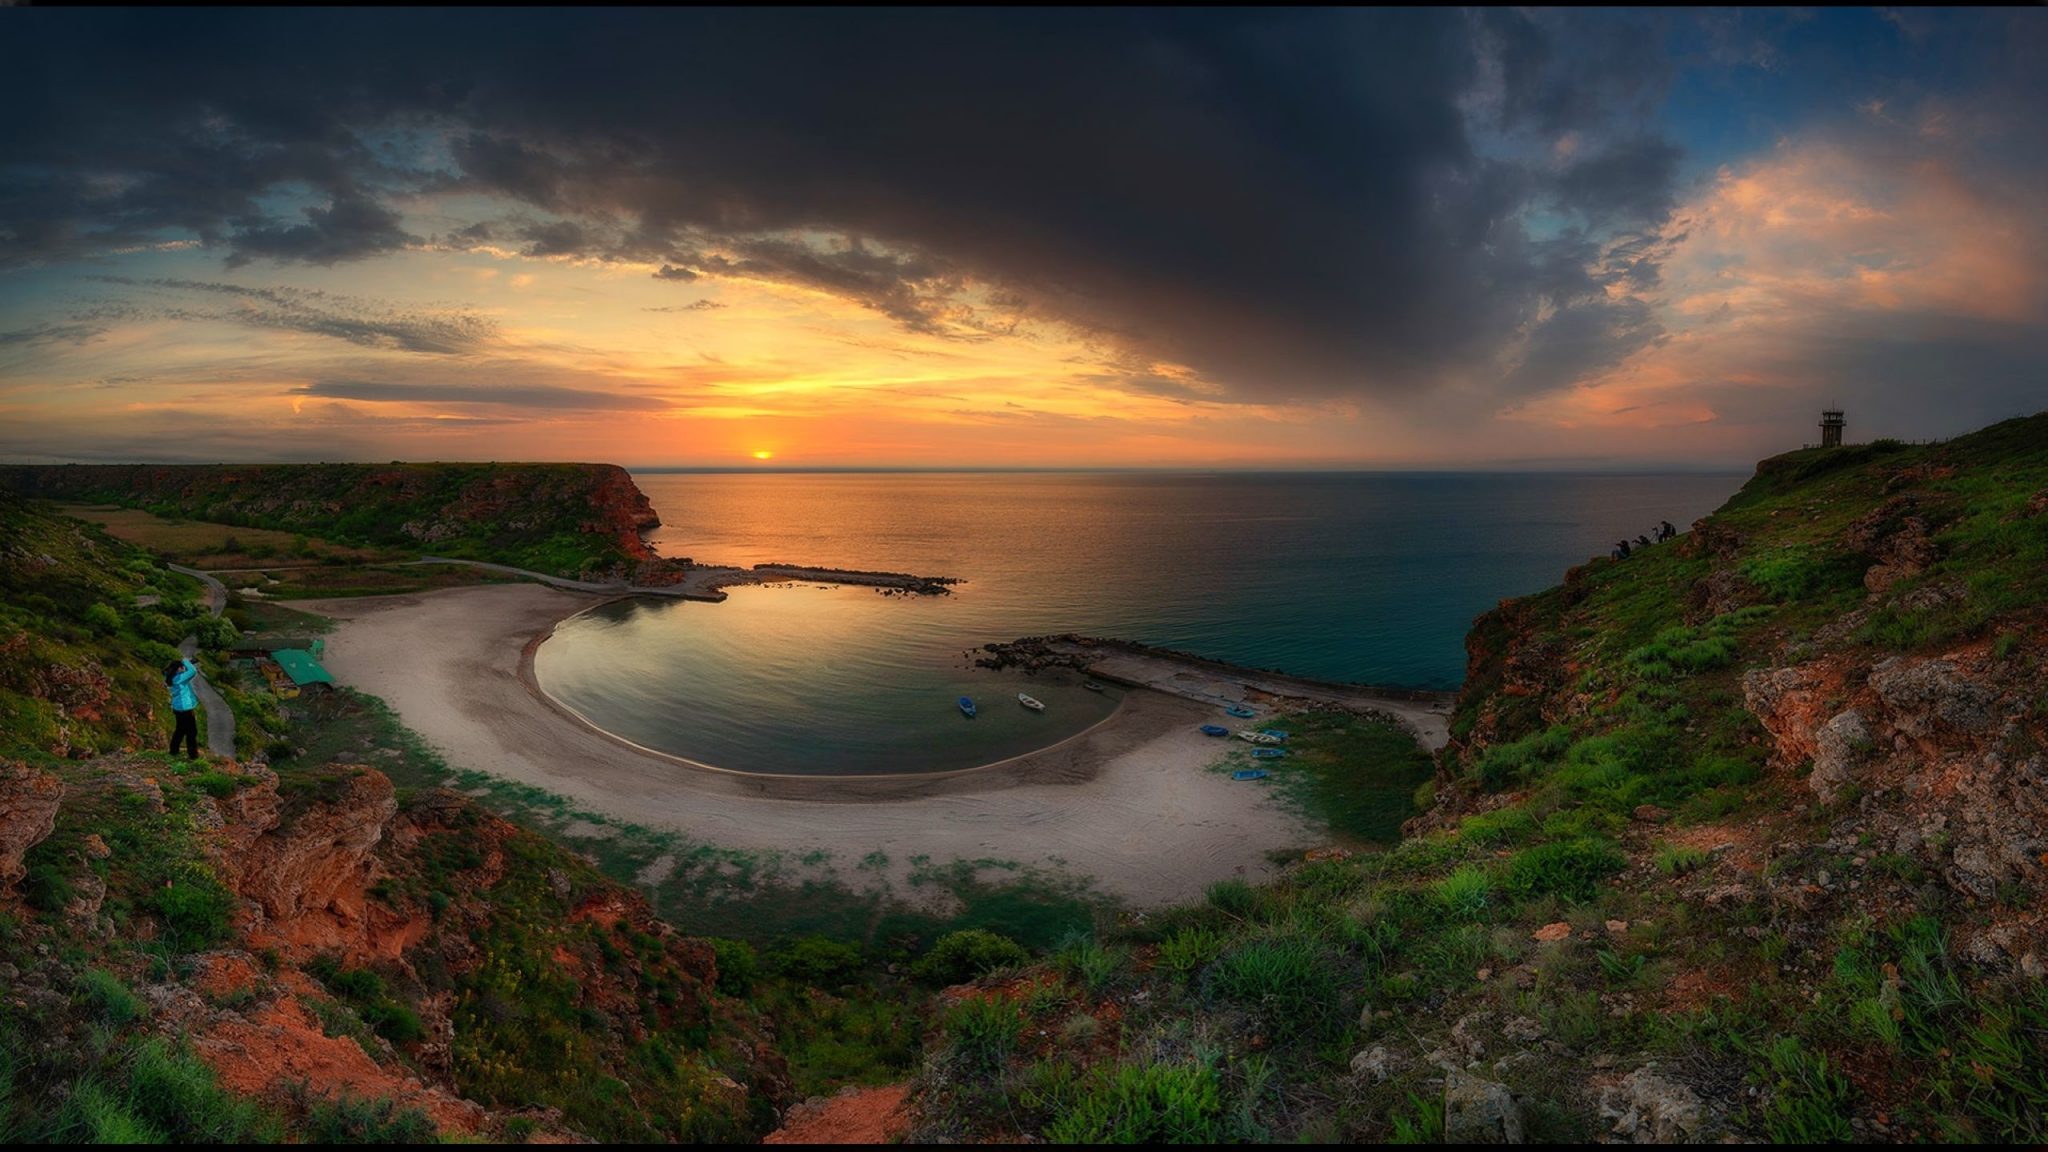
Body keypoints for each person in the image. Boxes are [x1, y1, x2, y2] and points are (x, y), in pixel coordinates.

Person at [165, 657, 200, 759]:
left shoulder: (171, 677)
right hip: (185, 709)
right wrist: (185, 661)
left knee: (180, 730)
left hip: (178, 708)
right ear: (179, 669)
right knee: (192, 732)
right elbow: (193, 671)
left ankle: (174, 751)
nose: (184, 668)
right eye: (182, 667)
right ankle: (193, 756)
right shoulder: (179, 679)